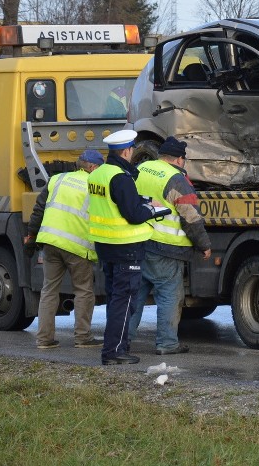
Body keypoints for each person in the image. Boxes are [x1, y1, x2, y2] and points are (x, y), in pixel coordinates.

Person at [129, 136, 212, 355]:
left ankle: (122, 340)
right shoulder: (177, 180)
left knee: (135, 295)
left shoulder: (142, 168)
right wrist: (203, 244)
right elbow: (191, 218)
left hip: (139, 241)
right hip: (166, 248)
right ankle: (167, 343)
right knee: (169, 296)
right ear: (179, 160)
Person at [88, 129, 162, 365]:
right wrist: (152, 209)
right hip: (125, 247)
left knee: (115, 299)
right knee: (124, 301)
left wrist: (144, 201)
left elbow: (115, 202)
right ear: (127, 151)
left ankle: (114, 348)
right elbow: (132, 213)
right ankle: (115, 351)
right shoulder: (121, 177)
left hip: (106, 245)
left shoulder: (99, 174)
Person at [25, 149, 105, 349]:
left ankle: (44, 339)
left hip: (50, 243)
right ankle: (82, 337)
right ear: (93, 167)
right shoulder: (94, 186)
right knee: (84, 291)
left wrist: (31, 236)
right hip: (77, 246)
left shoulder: (57, 179)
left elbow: (39, 209)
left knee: (49, 290)